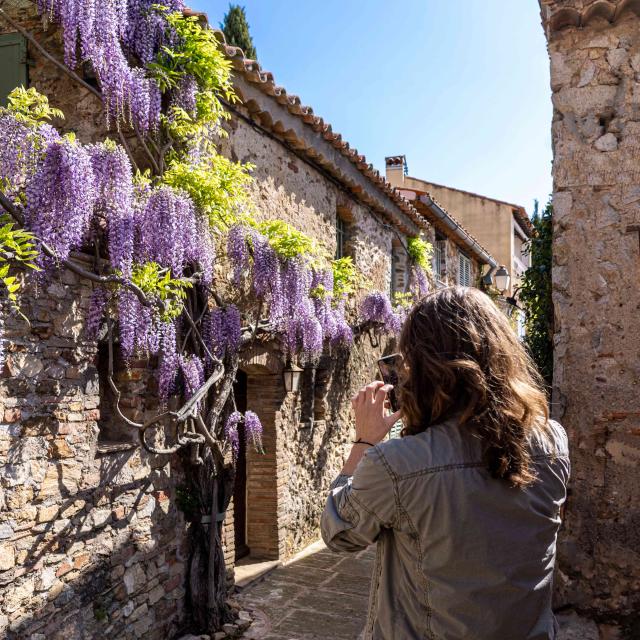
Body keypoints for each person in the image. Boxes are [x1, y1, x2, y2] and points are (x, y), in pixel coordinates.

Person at [321, 287, 569, 640]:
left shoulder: (395, 465)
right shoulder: (555, 442)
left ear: (422, 368)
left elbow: (340, 533)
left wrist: (364, 442)